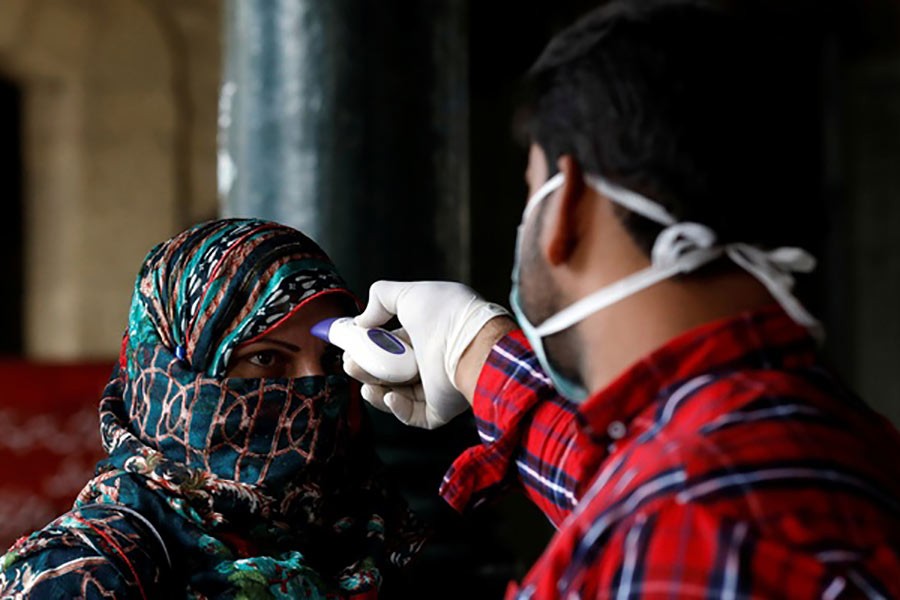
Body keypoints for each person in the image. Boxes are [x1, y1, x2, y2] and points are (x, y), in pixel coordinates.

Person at [344, 2, 900, 598]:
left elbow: (657, 505)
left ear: (567, 205)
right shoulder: (829, 443)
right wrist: (472, 352)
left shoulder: (685, 532)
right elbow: (614, 475)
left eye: (531, 193)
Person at [0, 218, 424, 598]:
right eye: (266, 358)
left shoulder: (369, 532)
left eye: (332, 361)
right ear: (172, 380)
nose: (313, 391)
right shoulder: (84, 573)